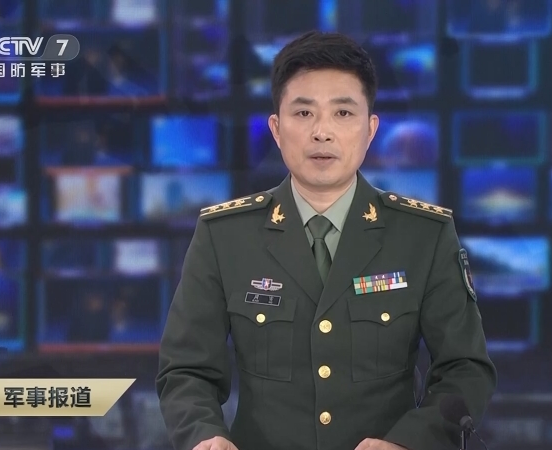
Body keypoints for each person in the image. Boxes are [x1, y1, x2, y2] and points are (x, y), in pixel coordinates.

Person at [156, 30, 497, 450]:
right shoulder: (224, 235)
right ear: (276, 129)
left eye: (343, 113)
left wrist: (409, 442)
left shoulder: (424, 235)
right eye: (303, 113)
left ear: (370, 129)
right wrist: (204, 436)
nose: (322, 132)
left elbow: (465, 368)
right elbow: (186, 370)